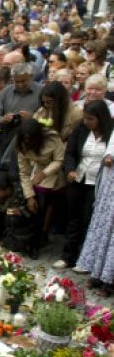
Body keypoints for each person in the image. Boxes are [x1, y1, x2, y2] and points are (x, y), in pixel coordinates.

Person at [58, 100, 113, 270]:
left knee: (89, 219)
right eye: (85, 118)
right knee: (74, 218)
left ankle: (85, 259)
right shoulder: (81, 130)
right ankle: (68, 256)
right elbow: (70, 153)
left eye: (91, 119)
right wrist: (70, 169)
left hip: (98, 182)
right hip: (79, 179)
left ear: (101, 118)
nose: (86, 122)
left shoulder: (110, 132)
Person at [15, 118, 66, 259]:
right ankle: (33, 244)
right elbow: (24, 173)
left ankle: (47, 236)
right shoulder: (21, 145)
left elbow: (59, 160)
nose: (28, 141)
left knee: (55, 209)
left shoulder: (52, 138)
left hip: (55, 172)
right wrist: (29, 196)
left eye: (31, 139)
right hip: (39, 176)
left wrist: (44, 173)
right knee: (37, 209)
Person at [76, 133, 114, 296]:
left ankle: (109, 281)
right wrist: (109, 156)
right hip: (111, 185)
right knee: (103, 227)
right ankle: (97, 273)